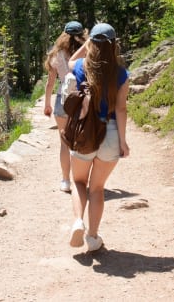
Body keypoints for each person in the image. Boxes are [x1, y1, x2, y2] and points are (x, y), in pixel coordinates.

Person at [67, 22, 129, 252]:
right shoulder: (121, 73)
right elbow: (121, 110)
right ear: (114, 46)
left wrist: (87, 45)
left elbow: (68, 62)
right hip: (110, 132)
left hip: (85, 131)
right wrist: (123, 141)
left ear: (92, 43)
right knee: (97, 188)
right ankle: (92, 237)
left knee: (78, 182)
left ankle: (77, 221)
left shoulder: (81, 66)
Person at [43, 21, 87, 192]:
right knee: (82, 140)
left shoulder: (56, 55)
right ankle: (81, 180)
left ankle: (65, 181)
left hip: (62, 98)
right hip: (83, 99)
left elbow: (50, 83)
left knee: (64, 144)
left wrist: (47, 104)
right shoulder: (87, 52)